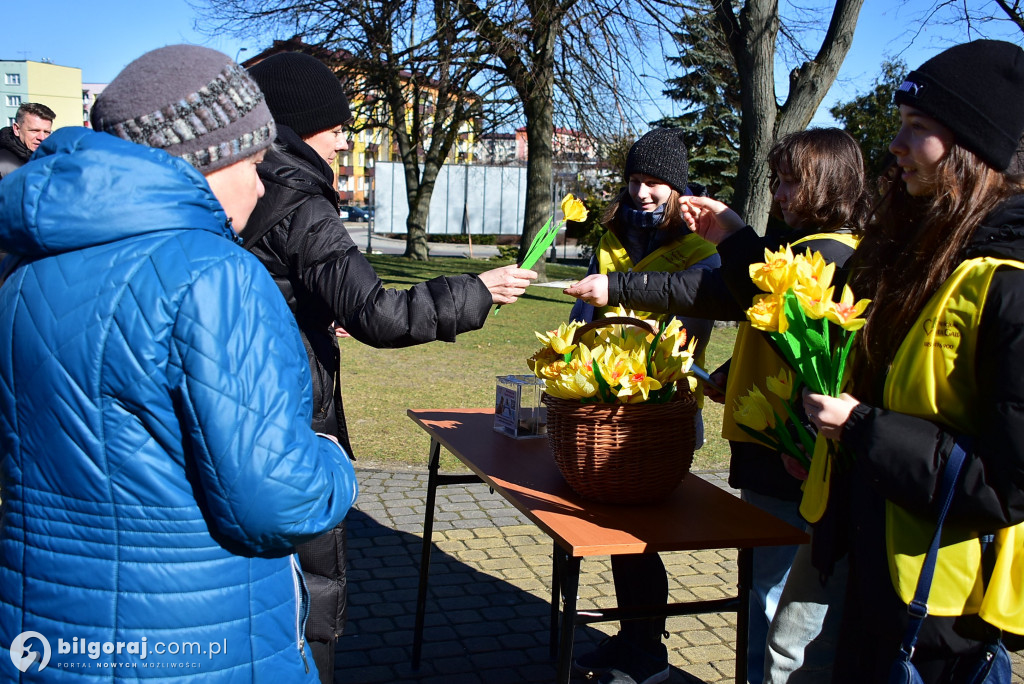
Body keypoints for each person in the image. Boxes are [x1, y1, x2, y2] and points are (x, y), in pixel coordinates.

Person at [0, 45, 358, 680]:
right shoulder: (216, 276)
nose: (259, 182)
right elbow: (277, 501)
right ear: (207, 159)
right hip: (199, 641)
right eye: (252, 162)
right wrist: (331, 456)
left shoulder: (20, 275)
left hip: (47, 636)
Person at [244, 51, 536, 682]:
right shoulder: (300, 199)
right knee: (309, 589)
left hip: (251, 405)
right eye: (336, 125)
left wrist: (315, 312)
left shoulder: (251, 185)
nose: (344, 137)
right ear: (298, 126)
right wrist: (477, 290)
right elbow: (379, 313)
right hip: (292, 413)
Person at [566, 128, 869, 684]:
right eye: (777, 181)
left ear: (827, 184)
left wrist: (726, 236)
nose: (778, 193)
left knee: (780, 610)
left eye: (790, 182)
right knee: (765, 597)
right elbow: (777, 337)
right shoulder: (802, 252)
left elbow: (825, 357)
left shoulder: (830, 259)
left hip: (791, 458)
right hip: (771, 451)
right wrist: (737, 372)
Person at [802, 39, 1024, 682]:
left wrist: (863, 429)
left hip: (942, 615)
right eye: (899, 125)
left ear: (972, 151)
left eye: (918, 128)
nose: (895, 145)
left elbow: (1010, 483)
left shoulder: (1010, 281)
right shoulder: (917, 249)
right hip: (873, 574)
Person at [569, 127, 720, 684]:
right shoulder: (612, 236)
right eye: (635, 180)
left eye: (655, 182)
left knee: (639, 536)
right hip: (604, 408)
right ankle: (633, 639)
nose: (643, 192)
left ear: (677, 188)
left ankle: (647, 653)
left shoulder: (701, 253)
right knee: (618, 536)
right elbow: (587, 321)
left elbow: (691, 333)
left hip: (661, 413)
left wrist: (629, 300)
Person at [0, 102, 54, 179]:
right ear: (17, 129)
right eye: (34, 131)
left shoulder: (51, 159)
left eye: (46, 132)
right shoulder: (2, 163)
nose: (42, 138)